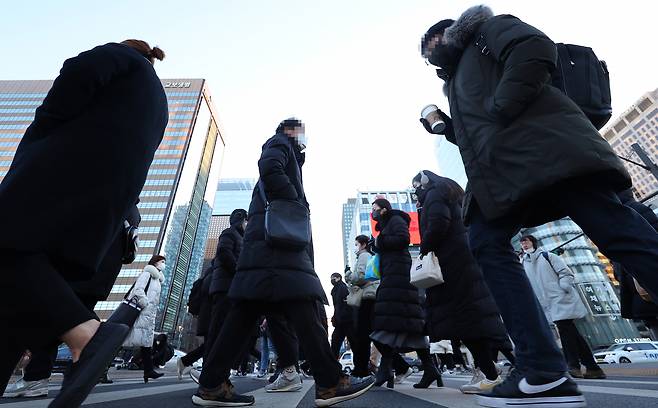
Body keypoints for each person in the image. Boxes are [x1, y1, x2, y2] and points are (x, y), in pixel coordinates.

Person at [420, 5, 658, 406]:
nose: (427, 56)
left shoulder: (484, 31)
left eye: (429, 46)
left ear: (448, 33)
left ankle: (542, 369)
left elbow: (534, 49)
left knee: (618, 232)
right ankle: (542, 369)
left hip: (548, 154)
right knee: (488, 241)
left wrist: (502, 108)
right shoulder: (459, 81)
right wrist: (446, 125)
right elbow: (478, 139)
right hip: (513, 170)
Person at [0, 39, 167, 407]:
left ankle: (87, 334)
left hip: (61, 177)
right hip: (100, 213)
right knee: (12, 308)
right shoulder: (158, 102)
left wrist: (46, 124)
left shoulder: (121, 56)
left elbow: (77, 71)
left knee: (5, 247)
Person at [193, 118, 374, 407]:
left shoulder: (288, 152)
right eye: (301, 132)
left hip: (267, 248)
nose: (304, 139)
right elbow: (269, 168)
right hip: (277, 247)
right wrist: (294, 202)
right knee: (303, 307)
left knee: (245, 314)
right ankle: (329, 382)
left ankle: (212, 383)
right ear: (291, 130)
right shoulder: (280, 142)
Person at [3, 205, 142, 398]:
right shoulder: (132, 212)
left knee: (45, 321)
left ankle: (38, 377)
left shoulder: (114, 198)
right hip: (99, 278)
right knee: (54, 324)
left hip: (80, 271)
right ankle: (38, 377)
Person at [412, 171, 508, 393]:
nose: (416, 189)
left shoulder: (434, 193)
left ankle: (491, 374)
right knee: (471, 318)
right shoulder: (451, 194)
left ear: (425, 182)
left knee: (464, 320)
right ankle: (489, 370)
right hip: (463, 260)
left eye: (416, 184)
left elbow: (437, 224)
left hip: (450, 263)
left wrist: (424, 249)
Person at [368, 198, 441, 390]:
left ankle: (386, 369)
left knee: (386, 323)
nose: (373, 212)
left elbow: (403, 240)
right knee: (406, 324)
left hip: (398, 277)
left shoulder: (396, 219)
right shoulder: (387, 224)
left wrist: (379, 240)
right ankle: (428, 368)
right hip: (393, 275)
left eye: (375, 208)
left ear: (384, 210)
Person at [520, 234, 606, 380]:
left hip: (560, 298)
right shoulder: (523, 262)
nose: (524, 245)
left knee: (565, 330)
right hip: (545, 303)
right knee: (572, 333)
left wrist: (564, 286)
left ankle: (573, 365)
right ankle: (592, 367)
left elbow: (566, 273)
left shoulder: (548, 256)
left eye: (526, 241)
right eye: (522, 243)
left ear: (533, 242)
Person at [122, 255, 166, 383]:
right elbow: (138, 290)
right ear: (155, 263)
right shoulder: (147, 274)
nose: (164, 264)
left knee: (146, 343)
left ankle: (148, 371)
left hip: (148, 314)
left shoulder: (157, 280)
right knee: (122, 340)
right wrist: (145, 304)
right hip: (140, 311)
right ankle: (103, 369)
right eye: (162, 262)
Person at [345, 235, 380, 378]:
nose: (355, 247)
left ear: (363, 244)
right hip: (371, 296)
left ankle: (361, 369)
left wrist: (348, 275)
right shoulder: (369, 256)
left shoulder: (364, 256)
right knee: (372, 334)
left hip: (367, 297)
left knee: (362, 335)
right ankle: (399, 366)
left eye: (356, 244)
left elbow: (359, 276)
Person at [177, 264, 213, 380]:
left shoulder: (208, 275)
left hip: (207, 316)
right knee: (212, 344)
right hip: (211, 315)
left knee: (210, 345)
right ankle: (208, 376)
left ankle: (186, 362)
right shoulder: (214, 275)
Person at [330, 273, 357, 359]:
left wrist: (340, 316)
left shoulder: (342, 288)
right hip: (341, 321)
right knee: (335, 342)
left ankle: (360, 366)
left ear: (339, 278)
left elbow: (345, 304)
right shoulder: (336, 290)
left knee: (351, 343)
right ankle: (334, 365)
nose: (332, 280)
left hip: (346, 320)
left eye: (334, 278)